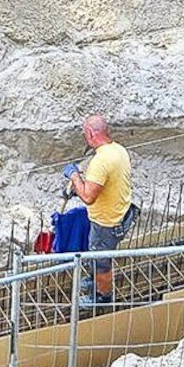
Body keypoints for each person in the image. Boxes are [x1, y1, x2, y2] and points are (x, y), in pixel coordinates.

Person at [65, 114, 135, 307]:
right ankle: (95, 279)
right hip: (120, 215)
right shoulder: (118, 150)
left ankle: (102, 297)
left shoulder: (101, 160)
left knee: (101, 261)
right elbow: (101, 183)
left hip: (107, 223)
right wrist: (82, 182)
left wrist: (74, 177)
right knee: (96, 253)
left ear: (90, 133)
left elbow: (88, 196)